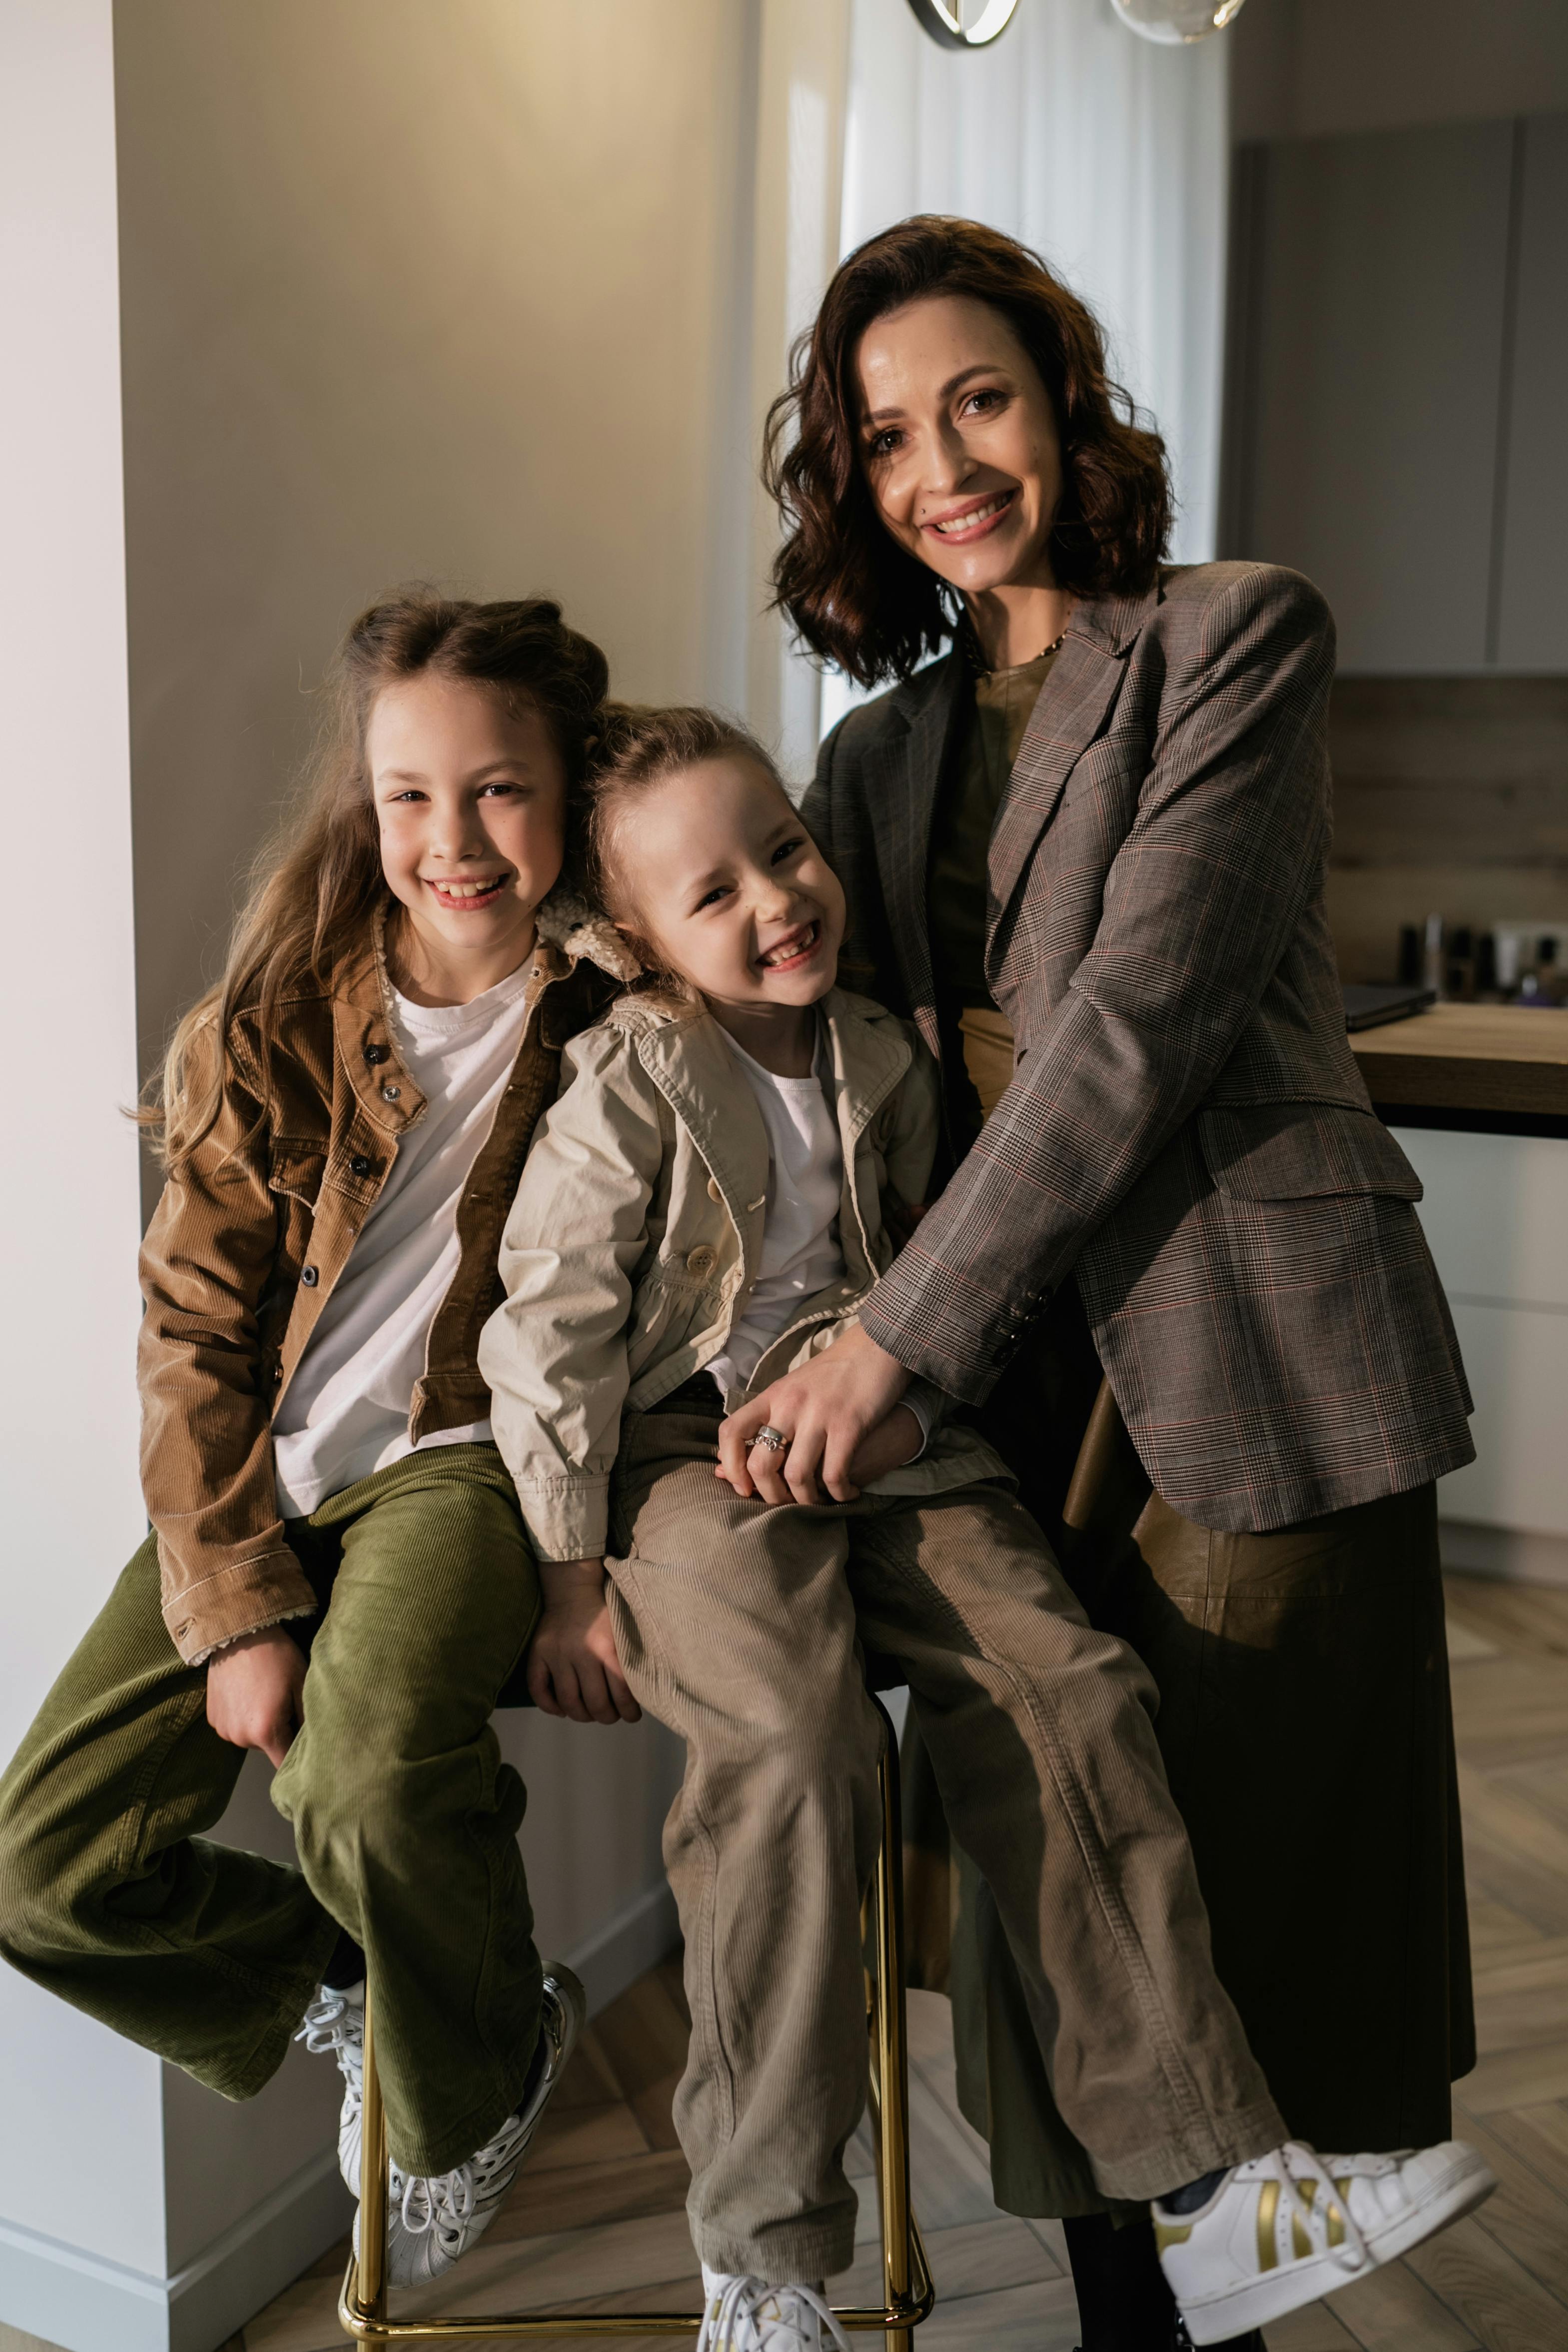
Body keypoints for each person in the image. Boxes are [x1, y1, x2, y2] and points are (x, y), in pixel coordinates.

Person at [477, 703, 1491, 2352]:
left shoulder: (887, 1051)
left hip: (890, 1430)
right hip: (678, 1456)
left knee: (1069, 1686)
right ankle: (762, 2262)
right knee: (799, 1749)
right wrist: (571, 1580)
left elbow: (941, 1280)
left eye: (783, 853)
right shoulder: (632, 1077)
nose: (774, 901)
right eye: (712, 895)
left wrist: (892, 1397)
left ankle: (1211, 2183)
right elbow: (549, 1339)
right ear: (640, 944)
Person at [719, 213, 1479, 2350]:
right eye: (882, 437)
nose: (940, 464)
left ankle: (1272, 2271)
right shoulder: (871, 764)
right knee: (1055, 1899)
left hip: (1253, 1346)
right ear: (848, 484)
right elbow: (774, 1017)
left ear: (1058, 397)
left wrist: (883, 1342)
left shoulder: (1230, 636)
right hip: (1012, 1388)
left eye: (975, 399)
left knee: (1267, 1890)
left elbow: (1128, 1030)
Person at [0, 589, 631, 2290]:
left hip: (462, 1456)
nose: (453, 838)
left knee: (354, 1777)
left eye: (498, 788)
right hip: (268, 1466)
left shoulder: (626, 1019)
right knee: (39, 1869)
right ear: (364, 801)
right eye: (409, 794)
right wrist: (236, 1601)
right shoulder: (273, 1017)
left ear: (568, 786)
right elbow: (194, 1333)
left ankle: (469, 2073)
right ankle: (387, 1988)